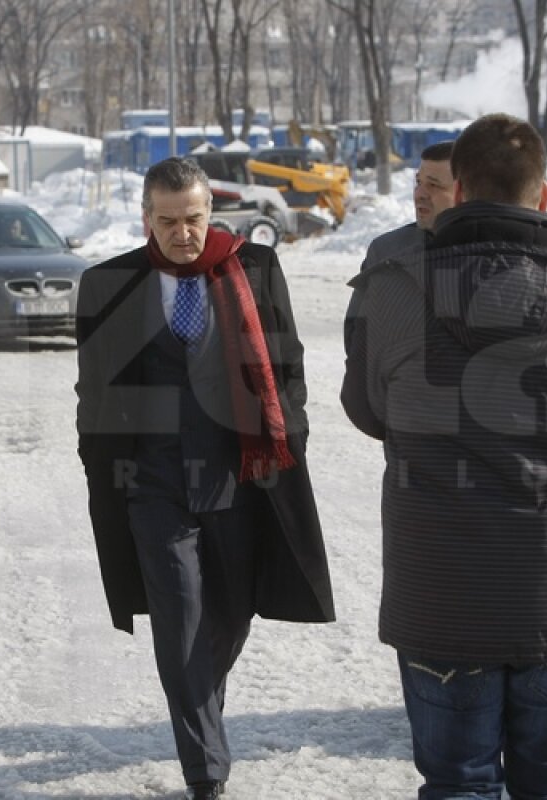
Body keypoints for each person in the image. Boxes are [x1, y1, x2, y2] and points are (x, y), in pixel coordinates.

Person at [342, 113, 547, 798]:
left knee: (457, 782)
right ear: (543, 197)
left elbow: (367, 411)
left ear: (458, 193)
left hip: (443, 588)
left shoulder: (393, 289)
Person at [75, 157, 335, 800]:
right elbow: (93, 389)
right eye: (167, 221)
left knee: (231, 613)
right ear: (145, 219)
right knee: (180, 615)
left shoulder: (256, 269)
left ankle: (199, 706)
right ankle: (205, 770)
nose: (183, 233)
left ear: (209, 212)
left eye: (193, 218)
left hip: (240, 477)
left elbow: (289, 365)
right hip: (153, 482)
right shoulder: (109, 283)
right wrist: (99, 462)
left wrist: (286, 435)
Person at [358, 140, 455, 271]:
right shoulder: (385, 252)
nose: (419, 194)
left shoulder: (487, 257)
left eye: (433, 185)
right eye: (418, 182)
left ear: (465, 192)